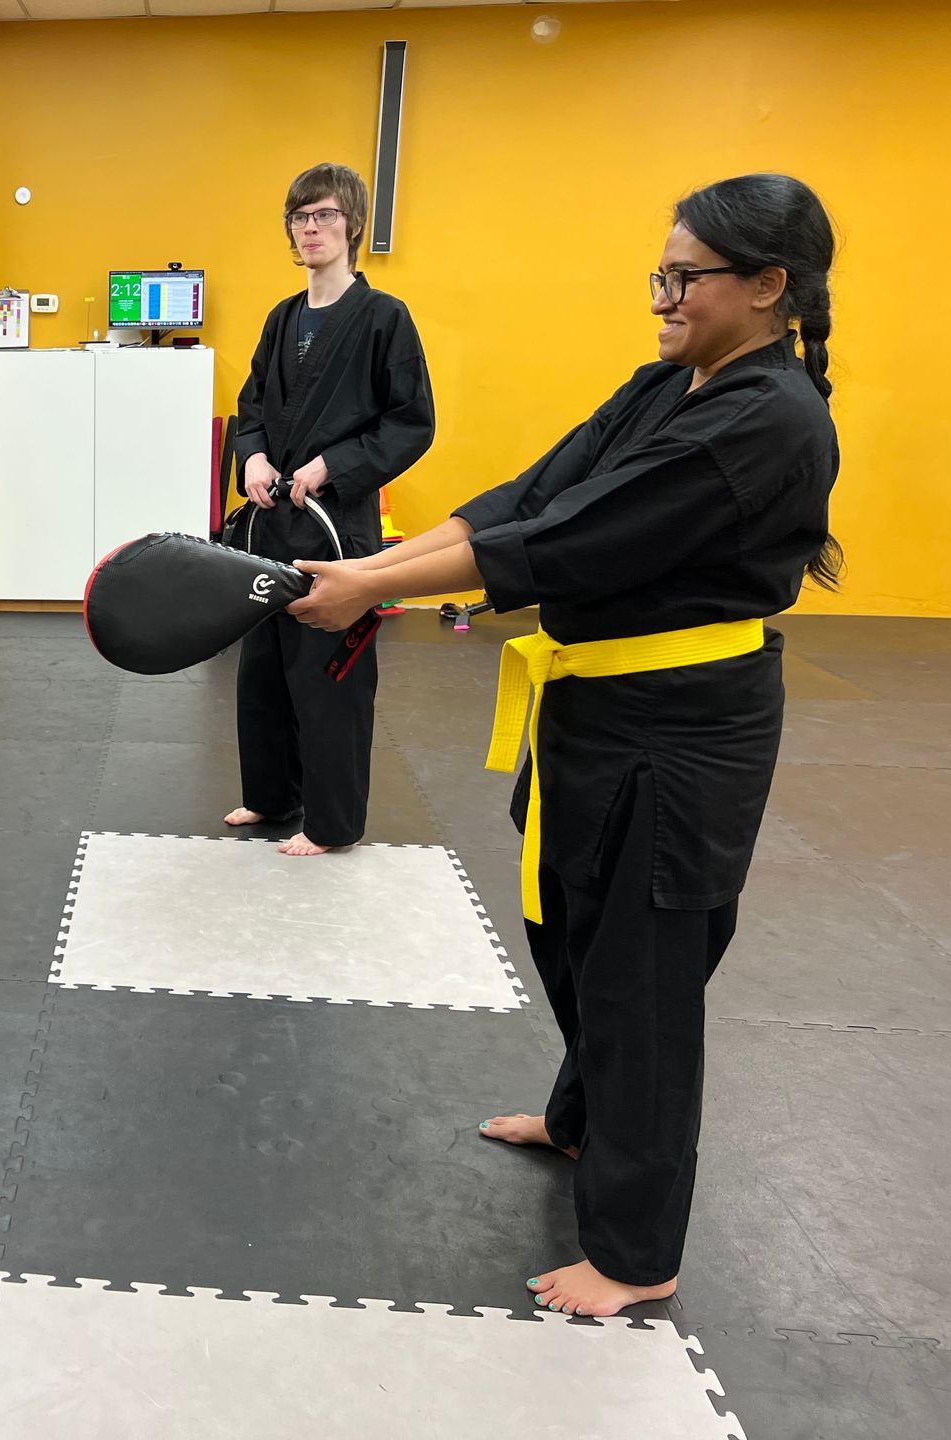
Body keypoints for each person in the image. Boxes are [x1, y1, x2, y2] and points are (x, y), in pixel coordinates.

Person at [286, 173, 841, 1317]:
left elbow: (571, 540)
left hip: (681, 731)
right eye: (661, 274)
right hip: (598, 710)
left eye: (684, 278)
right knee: (572, 931)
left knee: (645, 980)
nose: (663, 298)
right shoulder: (670, 384)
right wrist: (372, 569)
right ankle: (583, 1119)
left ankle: (637, 1253)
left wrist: (371, 594)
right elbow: (529, 496)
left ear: (768, 286)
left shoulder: (768, 418)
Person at [225, 163, 435, 856]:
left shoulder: (383, 318)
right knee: (263, 668)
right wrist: (252, 458)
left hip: (336, 526)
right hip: (270, 522)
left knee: (329, 674)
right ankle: (270, 795)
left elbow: (411, 422)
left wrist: (332, 467)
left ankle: (331, 822)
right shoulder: (282, 317)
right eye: (300, 217)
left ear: (353, 225)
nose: (310, 228)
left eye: (324, 215)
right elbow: (251, 406)